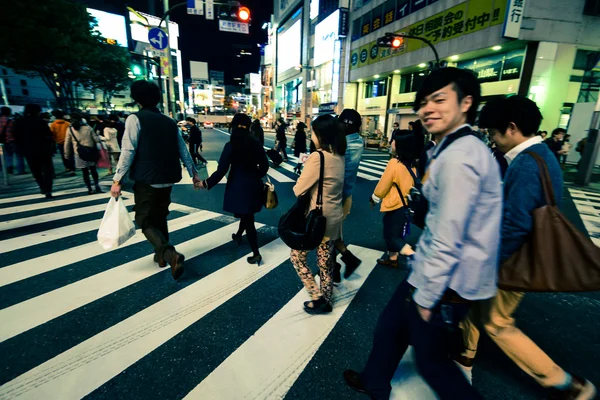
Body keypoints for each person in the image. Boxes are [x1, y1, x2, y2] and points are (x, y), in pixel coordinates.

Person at [343, 67, 502, 400]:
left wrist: (428, 298)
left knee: (432, 363)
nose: (428, 108)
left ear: (466, 103)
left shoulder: (459, 157)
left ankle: (374, 382)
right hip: (440, 274)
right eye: (424, 101)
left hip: (446, 281)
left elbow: (450, 234)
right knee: (391, 329)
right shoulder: (461, 148)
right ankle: (374, 381)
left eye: (440, 99)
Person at [456, 95, 597, 400]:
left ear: (511, 128)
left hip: (511, 258)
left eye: (493, 133)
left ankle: (563, 382)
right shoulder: (541, 156)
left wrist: (486, 263)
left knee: (497, 323)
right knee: (475, 307)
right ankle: (464, 356)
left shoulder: (527, 164)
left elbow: (515, 225)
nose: (492, 141)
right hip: (513, 254)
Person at [110, 80, 200, 280]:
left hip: (147, 178)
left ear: (136, 98)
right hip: (168, 178)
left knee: (144, 219)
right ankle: (161, 257)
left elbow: (128, 151)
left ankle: (170, 254)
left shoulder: (135, 119)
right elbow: (183, 150)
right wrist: (194, 174)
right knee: (160, 216)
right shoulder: (169, 121)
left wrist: (117, 180)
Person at [290, 115, 346, 314]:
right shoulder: (339, 156)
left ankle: (316, 296)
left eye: (313, 132)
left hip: (316, 219)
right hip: (333, 218)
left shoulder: (318, 157)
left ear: (320, 134)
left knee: (297, 257)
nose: (311, 136)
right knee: (325, 261)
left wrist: (304, 172)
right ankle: (327, 300)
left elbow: (299, 190)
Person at [198, 113, 269, 265]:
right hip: (254, 184)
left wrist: (206, 183)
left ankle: (256, 253)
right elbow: (265, 167)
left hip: (237, 185)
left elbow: (221, 170)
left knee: (248, 218)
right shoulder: (256, 143)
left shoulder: (230, 146)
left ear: (233, 127)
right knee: (247, 213)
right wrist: (255, 176)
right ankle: (238, 235)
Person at [370, 134, 421, 268]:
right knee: (396, 232)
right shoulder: (412, 163)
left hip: (395, 205)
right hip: (406, 205)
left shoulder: (394, 163)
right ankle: (393, 259)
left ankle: (414, 256)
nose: (391, 142)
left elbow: (383, 184)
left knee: (391, 236)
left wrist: (374, 198)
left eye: (394, 141)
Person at [333, 108, 365, 282]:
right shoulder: (357, 141)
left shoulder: (344, 144)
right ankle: (343, 262)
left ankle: (337, 266)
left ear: (344, 124)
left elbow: (334, 168)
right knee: (331, 233)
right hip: (345, 194)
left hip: (335, 194)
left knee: (326, 235)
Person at [13, 104, 55, 198]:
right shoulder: (41, 122)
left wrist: (21, 149)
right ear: (37, 112)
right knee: (47, 170)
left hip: (29, 150)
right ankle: (48, 189)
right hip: (44, 150)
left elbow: (16, 138)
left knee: (36, 170)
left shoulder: (19, 122)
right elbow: (49, 136)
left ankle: (42, 187)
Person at [64, 113, 103, 195]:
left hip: (79, 153)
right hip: (90, 152)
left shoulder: (70, 129)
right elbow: (96, 139)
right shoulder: (88, 127)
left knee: (84, 172)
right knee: (93, 169)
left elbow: (67, 143)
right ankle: (97, 185)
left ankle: (89, 189)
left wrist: (67, 154)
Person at [0, 106, 25, 175]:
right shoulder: (11, 121)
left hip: (1, 141)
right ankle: (20, 170)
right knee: (18, 155)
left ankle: (8, 169)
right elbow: (15, 131)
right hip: (11, 140)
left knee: (6, 156)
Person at [50, 110, 74, 175]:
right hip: (69, 141)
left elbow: (52, 134)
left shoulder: (53, 125)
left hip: (59, 142)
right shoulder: (67, 123)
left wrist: (55, 140)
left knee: (63, 155)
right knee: (71, 155)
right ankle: (72, 168)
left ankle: (67, 167)